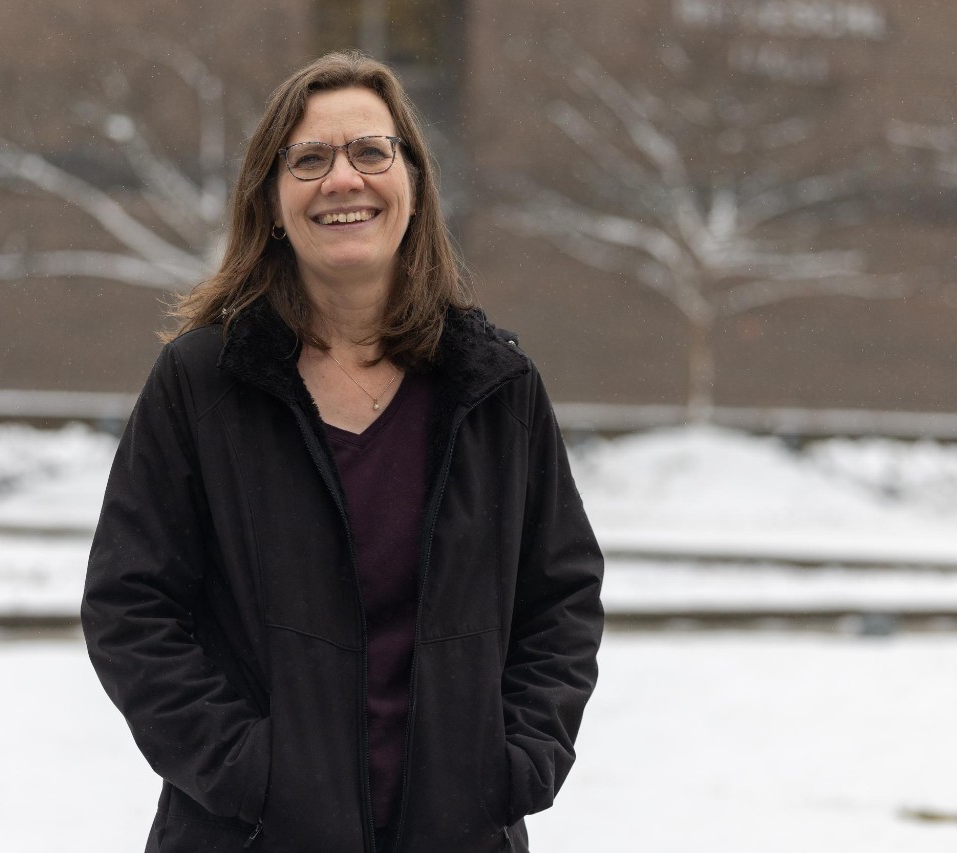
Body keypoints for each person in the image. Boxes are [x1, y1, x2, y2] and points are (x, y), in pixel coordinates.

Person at [82, 51, 604, 853]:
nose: (342, 179)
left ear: (414, 181)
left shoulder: (495, 388)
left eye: (370, 151)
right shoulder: (202, 382)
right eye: (309, 159)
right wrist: (246, 772)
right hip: (250, 835)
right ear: (272, 198)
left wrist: (517, 763)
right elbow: (131, 607)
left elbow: (559, 598)